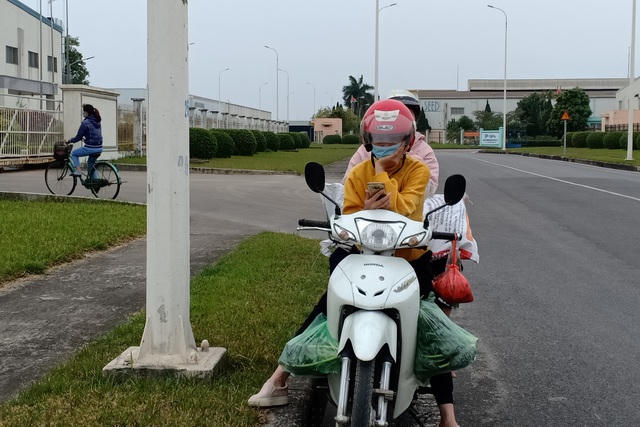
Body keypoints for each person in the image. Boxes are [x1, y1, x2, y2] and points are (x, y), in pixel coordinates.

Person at [249, 99, 458, 427]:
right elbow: (348, 213)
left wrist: (383, 177)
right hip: (363, 254)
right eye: (379, 140)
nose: (385, 146)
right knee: (326, 307)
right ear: (367, 140)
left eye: (393, 141)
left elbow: (408, 207)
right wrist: (366, 206)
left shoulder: (418, 169)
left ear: (407, 142)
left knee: (428, 323)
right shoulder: (359, 171)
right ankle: (280, 377)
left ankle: (448, 415)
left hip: (409, 258)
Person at [344, 89, 439, 197]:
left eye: (406, 113)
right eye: (396, 112)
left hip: (410, 206)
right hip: (369, 205)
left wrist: (412, 163)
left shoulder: (424, 150)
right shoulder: (367, 148)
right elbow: (348, 184)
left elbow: (429, 191)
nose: (401, 117)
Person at [67, 104, 103, 178]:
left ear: (86, 112)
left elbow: (78, 137)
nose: (83, 113)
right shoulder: (97, 121)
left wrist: (69, 141)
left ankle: (78, 171)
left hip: (90, 148)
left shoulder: (85, 123)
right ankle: (96, 182)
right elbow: (94, 134)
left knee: (73, 154)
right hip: (99, 148)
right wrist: (86, 139)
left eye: (83, 112)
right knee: (90, 164)